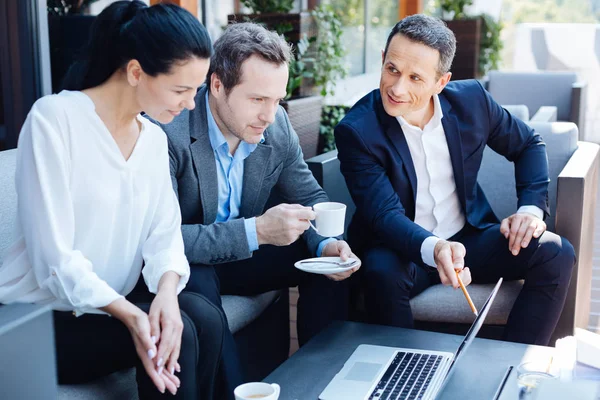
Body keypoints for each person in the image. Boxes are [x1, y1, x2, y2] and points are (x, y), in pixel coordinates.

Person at [0, 1, 224, 398]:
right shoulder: (54, 120)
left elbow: (164, 235)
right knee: (177, 338)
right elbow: (54, 259)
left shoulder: (152, 138)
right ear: (136, 72)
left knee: (201, 317)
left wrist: (167, 295)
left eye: (196, 90)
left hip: (104, 307)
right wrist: (131, 315)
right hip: (37, 320)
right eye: (181, 89)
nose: (191, 103)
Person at [335, 14, 575, 346]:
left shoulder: (473, 101)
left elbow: (528, 144)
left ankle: (512, 364)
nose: (397, 87)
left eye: (415, 77)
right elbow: (383, 215)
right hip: (399, 248)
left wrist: (530, 211)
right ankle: (404, 378)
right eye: (392, 69)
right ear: (382, 60)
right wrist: (435, 249)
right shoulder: (357, 130)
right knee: (379, 272)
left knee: (556, 252)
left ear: (441, 82)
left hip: (468, 238)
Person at [155, 22, 361, 395]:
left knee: (326, 263)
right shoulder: (169, 134)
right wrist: (259, 231)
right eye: (257, 99)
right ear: (217, 85)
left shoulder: (275, 125)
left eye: (277, 99)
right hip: (190, 262)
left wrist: (327, 245)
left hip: (241, 255)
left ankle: (321, 384)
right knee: (197, 278)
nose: (270, 114)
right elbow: (163, 241)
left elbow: (310, 196)